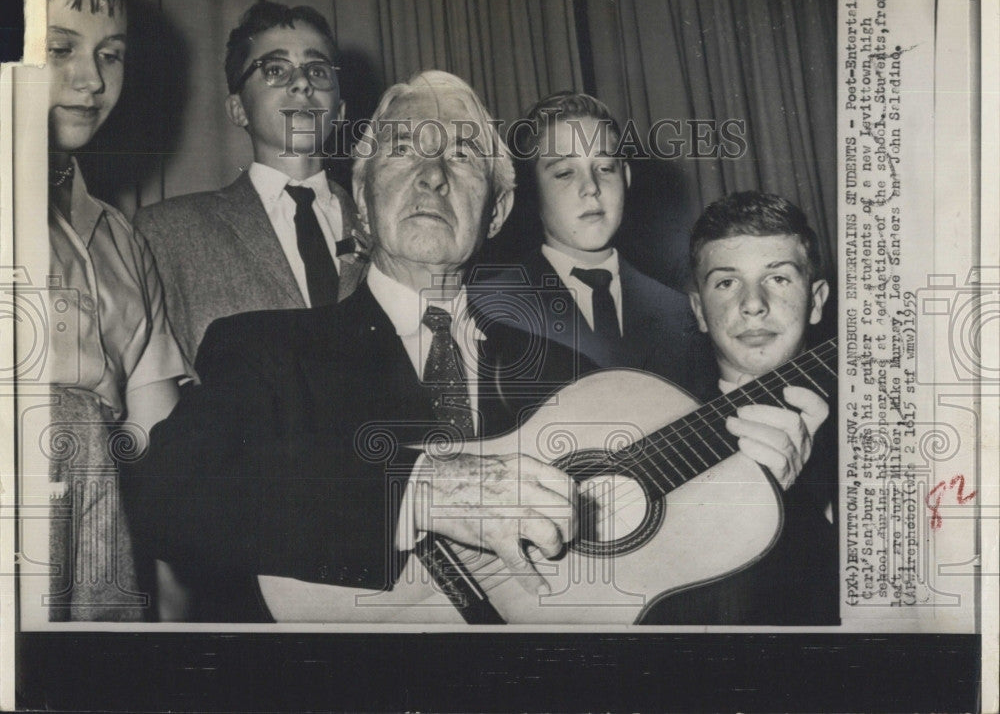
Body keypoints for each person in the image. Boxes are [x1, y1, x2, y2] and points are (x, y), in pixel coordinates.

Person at [120, 72, 827, 624]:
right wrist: (414, 492)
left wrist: (748, 489)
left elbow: (664, 602)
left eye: (461, 156)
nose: (433, 174)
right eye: (405, 151)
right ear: (361, 202)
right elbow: (168, 495)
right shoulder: (267, 347)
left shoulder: (573, 378)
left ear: (495, 211)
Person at [45, 0, 187, 621]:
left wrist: (177, 617)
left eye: (111, 54)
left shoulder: (122, 239)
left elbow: (155, 449)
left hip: (104, 531)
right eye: (58, 48)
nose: (91, 80)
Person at [133, 1, 367, 370]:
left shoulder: (386, 230)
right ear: (238, 109)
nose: (302, 83)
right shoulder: (163, 234)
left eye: (318, 70)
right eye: (275, 69)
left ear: (339, 112)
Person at [648, 190, 838, 624]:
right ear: (699, 309)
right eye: (727, 282)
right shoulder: (653, 430)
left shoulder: (880, 434)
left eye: (778, 278)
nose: (753, 304)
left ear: (818, 300)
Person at [472, 91, 715, 396]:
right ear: (531, 190)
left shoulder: (681, 313)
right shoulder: (484, 307)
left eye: (604, 167)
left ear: (625, 177)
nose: (591, 188)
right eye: (564, 173)